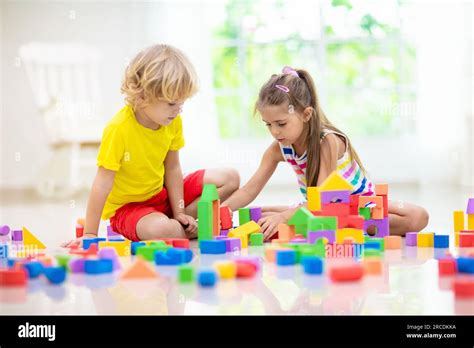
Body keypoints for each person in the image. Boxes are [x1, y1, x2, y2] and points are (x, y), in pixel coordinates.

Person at [221, 66, 429, 240]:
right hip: (322, 209)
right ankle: (313, 222)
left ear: (306, 114)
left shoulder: (328, 141)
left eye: (281, 124)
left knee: (418, 216)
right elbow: (248, 191)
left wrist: (285, 217)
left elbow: (322, 197)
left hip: (358, 206)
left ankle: (321, 223)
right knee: (257, 216)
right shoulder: (278, 148)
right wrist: (218, 213)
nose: (275, 132)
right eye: (268, 125)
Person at [63, 44, 239, 246]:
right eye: (172, 103)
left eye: (181, 103)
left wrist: (180, 211)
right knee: (160, 229)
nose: (178, 111)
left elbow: (172, 168)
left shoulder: (172, 121)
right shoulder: (119, 129)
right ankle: (189, 229)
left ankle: (178, 223)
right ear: (143, 95)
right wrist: (90, 235)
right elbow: (102, 183)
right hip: (130, 209)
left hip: (162, 196)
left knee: (230, 178)